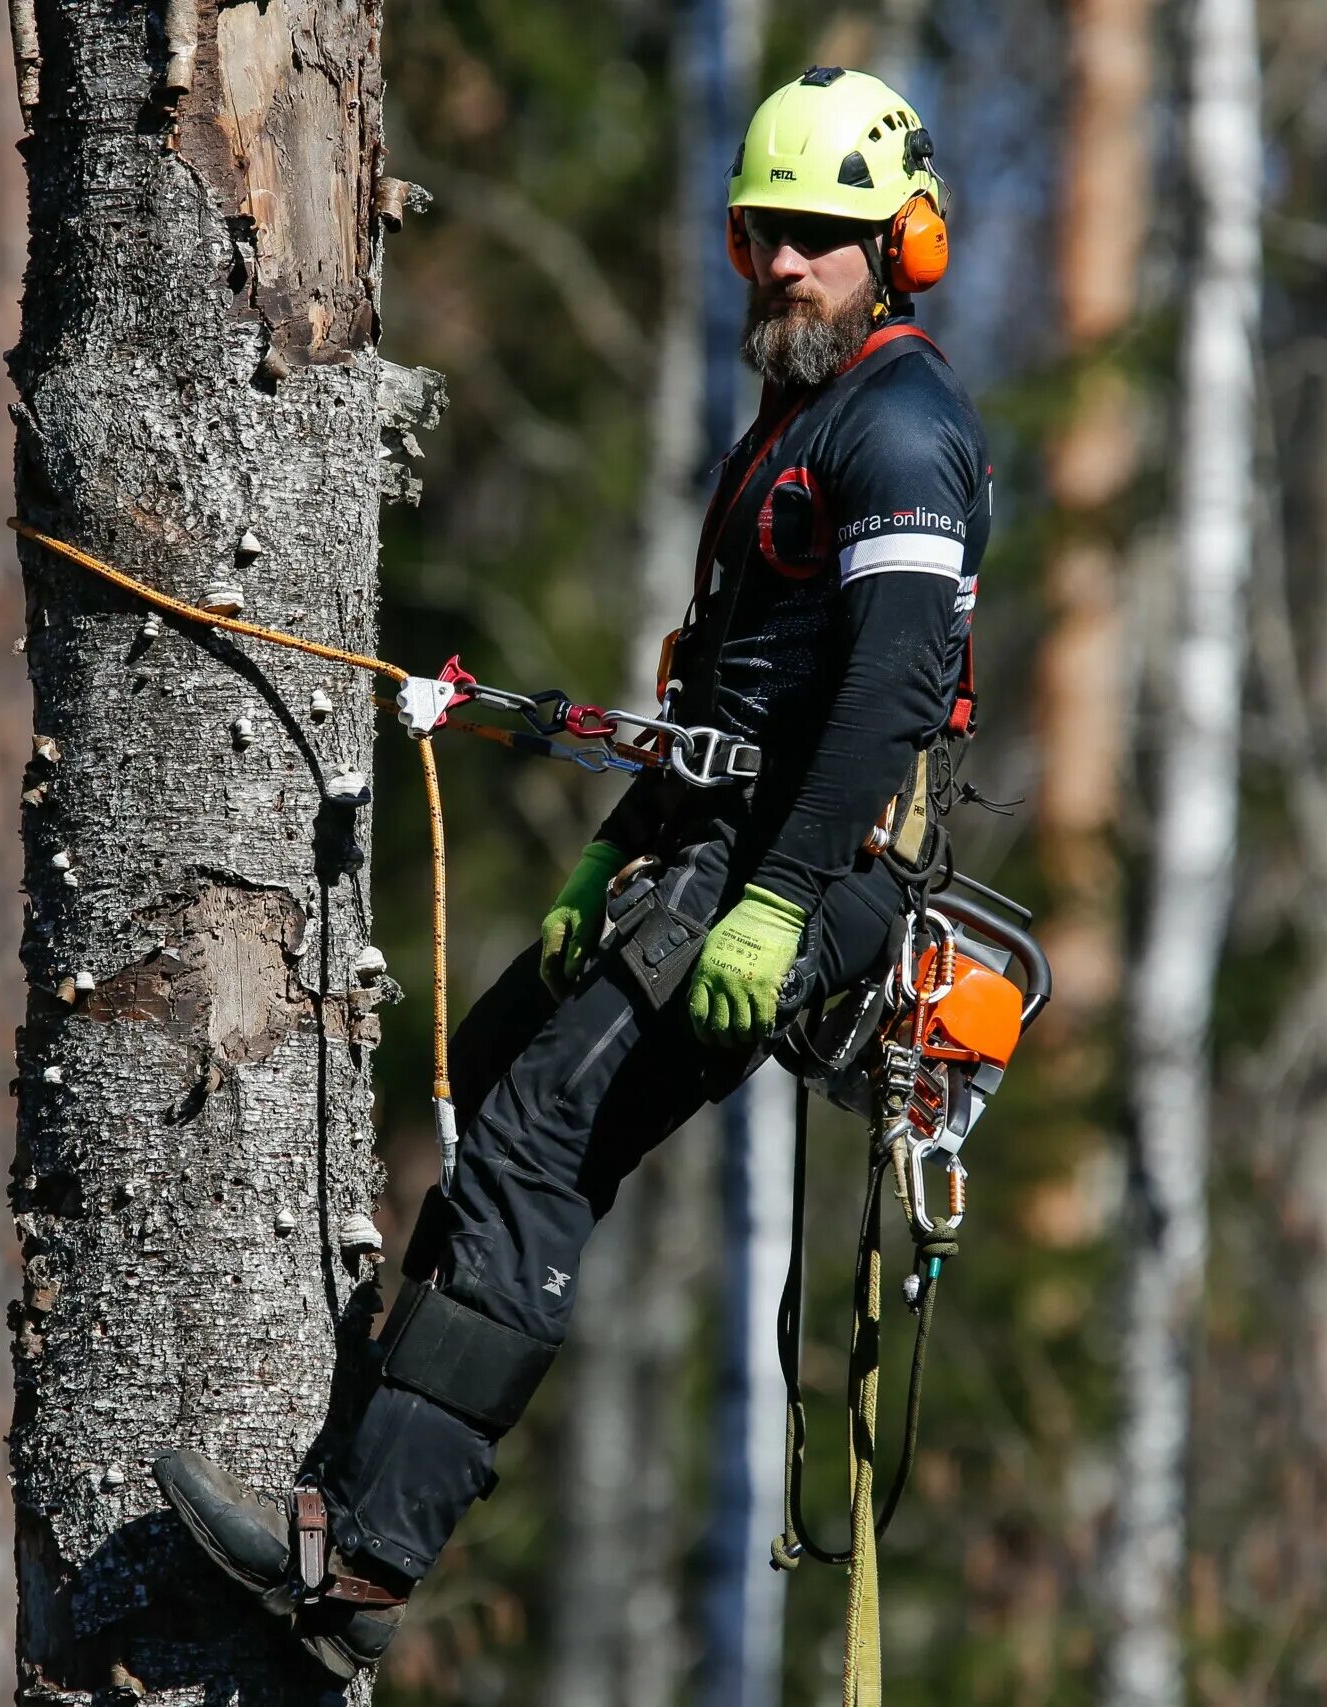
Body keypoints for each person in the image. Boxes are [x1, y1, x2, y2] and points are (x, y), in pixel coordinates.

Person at [154, 65, 993, 1677]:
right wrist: (610, 858)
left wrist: (774, 901)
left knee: (537, 1141)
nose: (786, 265)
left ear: (903, 246)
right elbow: (712, 707)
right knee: (487, 1071)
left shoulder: (901, 428)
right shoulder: (794, 428)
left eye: (824, 236)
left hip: (800, 878)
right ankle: (363, 1469)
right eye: (766, 233)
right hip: (708, 853)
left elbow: (888, 696)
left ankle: (358, 1568)